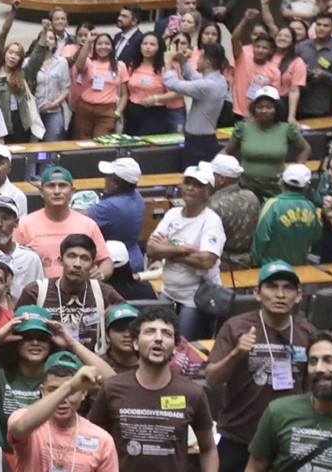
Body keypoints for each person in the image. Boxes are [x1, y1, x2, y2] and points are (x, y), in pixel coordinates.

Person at [203, 262, 318, 472]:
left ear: (298, 296)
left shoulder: (308, 333)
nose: (280, 294)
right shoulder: (236, 327)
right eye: (272, 287)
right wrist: (235, 354)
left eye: (288, 288)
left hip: (288, 438)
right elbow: (211, 379)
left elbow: (313, 387)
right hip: (239, 437)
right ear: (257, 293)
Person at [87, 307, 216, 472]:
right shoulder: (112, 388)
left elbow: (208, 448)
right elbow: (90, 441)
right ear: (135, 343)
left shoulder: (192, 393)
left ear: (175, 347)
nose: (159, 338)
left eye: (167, 334)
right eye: (150, 332)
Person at [245, 331, 332, 472]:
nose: (319, 369)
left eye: (329, 360)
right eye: (313, 361)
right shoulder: (279, 411)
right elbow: (254, 468)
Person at [147, 164, 225, 341]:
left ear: (208, 192)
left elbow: (206, 260)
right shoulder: (172, 214)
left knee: (183, 345)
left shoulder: (211, 221)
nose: (190, 188)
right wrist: (184, 249)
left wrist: (167, 249)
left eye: (197, 185)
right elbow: (152, 249)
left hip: (195, 298)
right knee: (161, 339)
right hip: (169, 291)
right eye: (187, 183)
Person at [5, 354, 116, 472]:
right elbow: (20, 429)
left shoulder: (102, 440)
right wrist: (70, 387)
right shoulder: (23, 417)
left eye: (72, 392)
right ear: (42, 391)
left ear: (83, 393)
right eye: (53, 390)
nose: (62, 399)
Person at [15, 235, 125, 353]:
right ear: (60, 261)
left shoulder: (104, 293)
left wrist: (113, 316)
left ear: (93, 265)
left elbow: (129, 326)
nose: (77, 264)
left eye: (84, 258)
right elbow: (17, 332)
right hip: (46, 365)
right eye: (71, 256)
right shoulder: (36, 291)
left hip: (93, 365)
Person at [12, 167, 112, 281]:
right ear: (41, 191)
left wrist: (101, 274)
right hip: (37, 294)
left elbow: (106, 261)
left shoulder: (88, 225)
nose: (57, 191)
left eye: (62, 186)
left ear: (72, 191)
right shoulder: (24, 225)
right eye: (51, 186)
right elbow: (11, 260)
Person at [224, 87, 309, 198]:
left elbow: (305, 149)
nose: (264, 111)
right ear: (254, 109)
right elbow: (227, 151)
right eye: (260, 107)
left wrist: (296, 170)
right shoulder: (243, 128)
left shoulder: (286, 129)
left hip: (276, 188)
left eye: (269, 107)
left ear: (276, 109)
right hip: (246, 188)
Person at [250, 163, 322, 266]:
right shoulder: (310, 207)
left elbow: (260, 238)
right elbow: (316, 235)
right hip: (298, 269)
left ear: (281, 181)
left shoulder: (271, 205)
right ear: (307, 186)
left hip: (271, 269)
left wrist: (255, 264)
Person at [86, 158, 147, 273]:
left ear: (115, 183)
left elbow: (78, 217)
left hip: (117, 263)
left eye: (108, 176)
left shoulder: (111, 207)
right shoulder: (137, 196)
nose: (105, 179)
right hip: (135, 257)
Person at [296, 13, 332, 119]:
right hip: (298, 103)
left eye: (326, 26)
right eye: (319, 24)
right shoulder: (302, 47)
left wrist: (325, 75)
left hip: (324, 106)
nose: (321, 28)